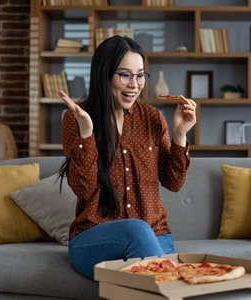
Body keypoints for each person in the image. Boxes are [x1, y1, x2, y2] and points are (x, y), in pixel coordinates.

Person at [58, 36, 196, 280]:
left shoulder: (153, 119)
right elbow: (83, 188)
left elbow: (173, 183)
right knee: (139, 237)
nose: (135, 84)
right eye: (125, 75)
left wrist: (180, 135)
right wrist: (87, 134)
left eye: (141, 75)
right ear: (104, 74)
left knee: (133, 284)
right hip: (94, 238)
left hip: (155, 236)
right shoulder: (77, 119)